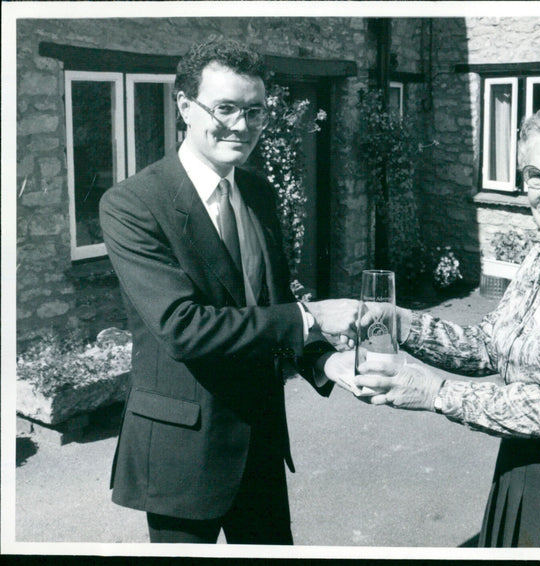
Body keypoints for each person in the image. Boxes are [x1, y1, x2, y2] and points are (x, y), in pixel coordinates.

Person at [323, 101, 540, 547]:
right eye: (535, 175)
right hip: (530, 457)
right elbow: (490, 346)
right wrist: (400, 323)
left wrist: (434, 393)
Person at [99, 37, 353, 544]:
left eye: (255, 111)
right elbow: (182, 328)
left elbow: (273, 302)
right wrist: (313, 317)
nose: (241, 125)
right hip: (181, 453)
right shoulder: (133, 203)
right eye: (225, 108)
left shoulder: (257, 193)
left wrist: (326, 362)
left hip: (259, 443)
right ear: (184, 107)